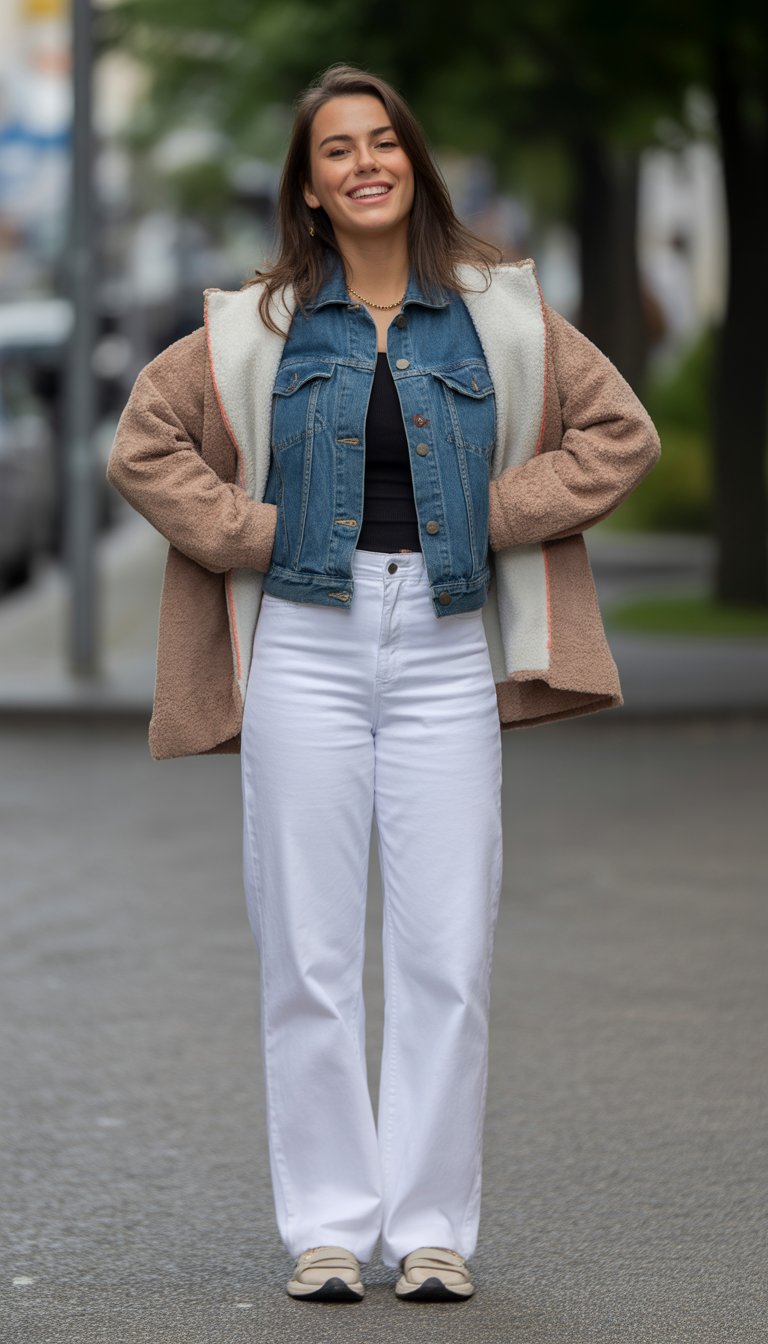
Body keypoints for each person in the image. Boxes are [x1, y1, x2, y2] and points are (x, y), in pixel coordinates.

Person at [107, 63, 660, 1304]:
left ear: (413, 160)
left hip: (445, 643)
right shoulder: (250, 327)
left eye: (383, 143)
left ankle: (430, 1230)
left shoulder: (499, 316)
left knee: (445, 950)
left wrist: (488, 512)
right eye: (336, 150)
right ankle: (325, 1226)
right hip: (303, 636)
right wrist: (255, 533)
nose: (365, 163)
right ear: (307, 185)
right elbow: (145, 443)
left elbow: (619, 432)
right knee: (305, 950)